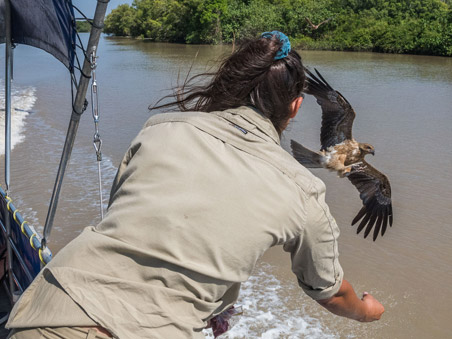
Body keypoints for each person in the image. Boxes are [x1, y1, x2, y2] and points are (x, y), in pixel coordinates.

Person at [6, 31, 384, 339]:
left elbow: (131, 219)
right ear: (297, 106)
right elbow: (331, 293)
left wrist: (214, 302)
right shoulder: (302, 188)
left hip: (44, 310)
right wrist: (367, 312)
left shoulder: (161, 127)